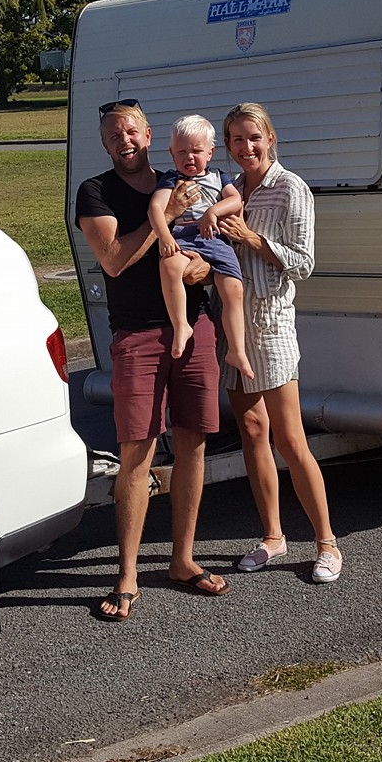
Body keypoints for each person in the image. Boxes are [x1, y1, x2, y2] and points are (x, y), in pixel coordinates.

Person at [74, 97, 230, 620]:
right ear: (105, 143)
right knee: (136, 451)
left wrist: (201, 269)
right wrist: (167, 216)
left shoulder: (181, 177)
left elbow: (210, 252)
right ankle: (127, 574)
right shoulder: (96, 192)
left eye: (132, 131)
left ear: (148, 135)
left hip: (195, 326)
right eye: (113, 135)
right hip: (137, 334)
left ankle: (182, 560)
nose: (124, 140)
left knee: (193, 444)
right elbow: (114, 260)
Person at [217, 102, 342, 583]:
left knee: (289, 439)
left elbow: (304, 263)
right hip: (233, 327)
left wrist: (251, 237)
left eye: (254, 137)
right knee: (252, 430)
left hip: (271, 324)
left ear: (270, 138)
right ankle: (272, 536)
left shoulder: (290, 188)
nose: (246, 147)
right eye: (236, 139)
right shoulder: (229, 189)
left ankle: (327, 543)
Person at [147, 115, 254, 380]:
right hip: (183, 237)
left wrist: (212, 213)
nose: (189, 157)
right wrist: (164, 237)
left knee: (233, 289)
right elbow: (155, 208)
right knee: (170, 266)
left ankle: (237, 350)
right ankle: (181, 325)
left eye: (196, 151)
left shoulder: (219, 177)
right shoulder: (171, 179)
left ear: (210, 152)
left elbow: (235, 200)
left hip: (214, 238)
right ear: (172, 153)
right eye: (181, 152)